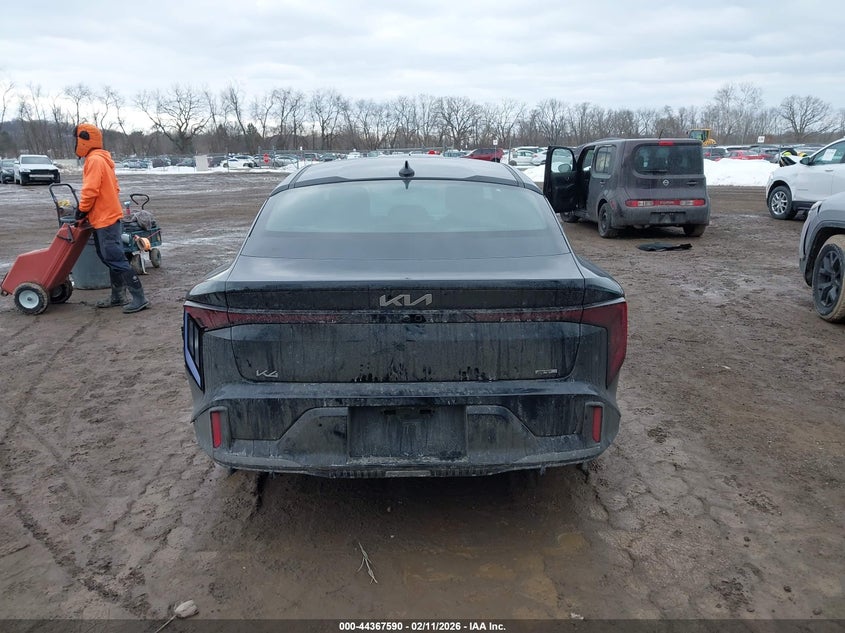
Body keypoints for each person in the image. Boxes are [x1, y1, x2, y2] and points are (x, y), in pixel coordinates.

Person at [74, 123, 149, 313]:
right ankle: (118, 296)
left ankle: (139, 298)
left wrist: (82, 210)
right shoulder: (103, 159)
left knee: (114, 257)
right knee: (108, 256)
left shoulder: (94, 160)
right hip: (107, 215)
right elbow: (114, 187)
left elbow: (90, 190)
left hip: (105, 218)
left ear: (84, 140)